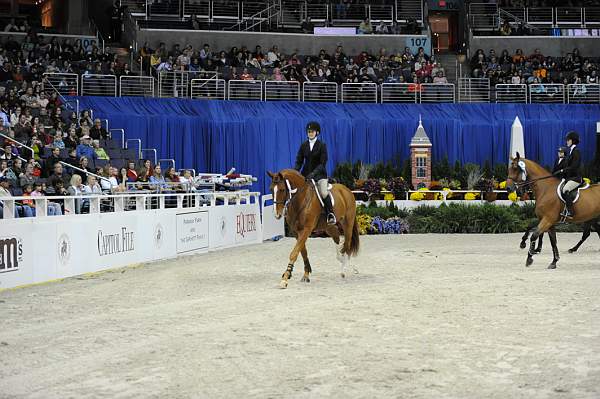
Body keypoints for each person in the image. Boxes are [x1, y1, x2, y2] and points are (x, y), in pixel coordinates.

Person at [294, 121, 336, 225]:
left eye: (312, 132)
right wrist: (295, 172)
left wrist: (314, 173)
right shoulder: (304, 145)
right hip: (306, 175)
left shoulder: (322, 145)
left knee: (323, 192)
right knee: (295, 192)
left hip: (319, 176)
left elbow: (323, 163)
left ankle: (330, 214)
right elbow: (299, 161)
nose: (310, 133)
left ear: (317, 132)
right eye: (308, 132)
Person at [553, 131, 583, 217]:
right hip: (570, 178)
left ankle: (570, 211)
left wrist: (562, 170)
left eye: (568, 140)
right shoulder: (571, 151)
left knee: (565, 190)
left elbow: (574, 166)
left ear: (572, 141)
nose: (567, 142)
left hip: (576, 178)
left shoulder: (576, 151)